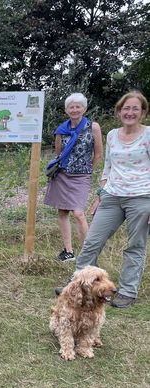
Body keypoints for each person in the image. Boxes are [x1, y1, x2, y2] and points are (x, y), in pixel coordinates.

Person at [64, 91, 149, 308]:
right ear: (119, 111)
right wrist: (100, 195)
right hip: (112, 195)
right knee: (92, 241)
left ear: (143, 112)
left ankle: (128, 291)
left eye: (135, 109)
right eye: (125, 108)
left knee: (135, 245)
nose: (129, 113)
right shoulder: (112, 135)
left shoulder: (148, 135)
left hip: (141, 196)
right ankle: (77, 283)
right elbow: (108, 167)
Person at [44, 93, 103, 262]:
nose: (75, 109)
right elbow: (58, 154)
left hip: (82, 176)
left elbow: (98, 154)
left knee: (78, 213)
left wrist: (88, 170)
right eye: (71, 107)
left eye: (78, 106)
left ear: (84, 109)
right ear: (66, 110)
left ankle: (87, 255)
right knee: (62, 212)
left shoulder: (94, 127)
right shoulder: (61, 130)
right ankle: (68, 251)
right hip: (62, 175)